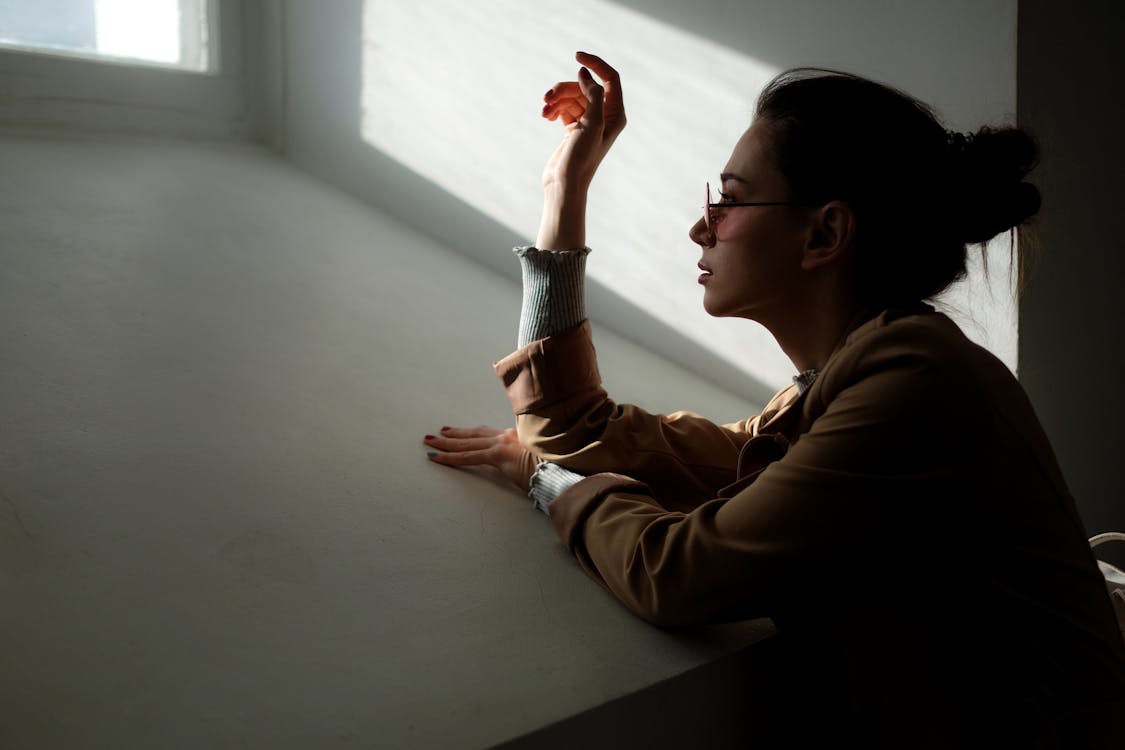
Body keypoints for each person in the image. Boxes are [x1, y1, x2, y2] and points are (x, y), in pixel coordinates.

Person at [423, 51, 1125, 746]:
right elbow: (578, 427)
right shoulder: (847, 383)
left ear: (824, 233)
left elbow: (678, 573)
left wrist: (553, 485)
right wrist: (563, 188)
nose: (701, 227)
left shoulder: (915, 382)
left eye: (727, 201)